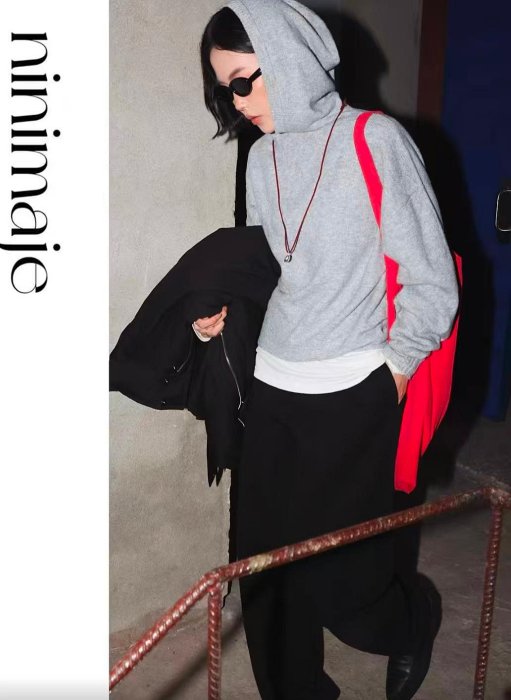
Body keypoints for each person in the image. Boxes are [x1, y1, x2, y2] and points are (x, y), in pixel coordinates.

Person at [196, 1, 459, 698]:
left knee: (345, 586)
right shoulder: (261, 157)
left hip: (352, 391)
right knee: (265, 575)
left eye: (244, 80)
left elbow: (432, 280)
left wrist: (394, 369)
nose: (236, 101)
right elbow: (269, 270)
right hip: (270, 389)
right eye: (224, 88)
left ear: (287, 59)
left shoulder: (376, 142)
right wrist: (228, 317)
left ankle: (411, 623)